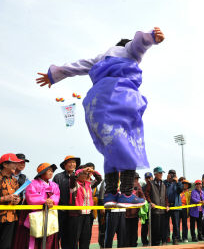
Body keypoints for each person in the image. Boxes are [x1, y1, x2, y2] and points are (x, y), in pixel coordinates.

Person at [36, 27, 165, 208]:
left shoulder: (99, 58)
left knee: (111, 146)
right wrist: (151, 37)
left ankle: (111, 193)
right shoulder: (129, 50)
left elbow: (76, 66)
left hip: (96, 104)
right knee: (129, 141)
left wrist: (53, 75)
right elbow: (138, 43)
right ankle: (127, 193)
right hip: (120, 97)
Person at [14, 163, 60, 249]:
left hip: (49, 213)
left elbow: (57, 195)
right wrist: (44, 201)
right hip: (35, 214)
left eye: (52, 171)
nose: (51, 173)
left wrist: (52, 201)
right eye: (48, 171)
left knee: (49, 234)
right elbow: (30, 196)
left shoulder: (54, 185)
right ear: (42, 173)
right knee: (34, 234)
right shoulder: (33, 183)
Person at [68, 165, 102, 249]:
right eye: (83, 173)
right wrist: (82, 169)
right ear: (78, 174)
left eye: (86, 174)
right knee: (74, 239)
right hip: (77, 215)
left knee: (86, 239)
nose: (85, 175)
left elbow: (99, 179)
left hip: (87, 215)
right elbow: (72, 176)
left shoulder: (89, 184)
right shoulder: (74, 184)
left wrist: (92, 171)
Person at [53, 155, 80, 249]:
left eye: (74, 162)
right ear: (65, 165)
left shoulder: (79, 177)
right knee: (57, 236)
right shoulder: (58, 177)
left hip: (74, 213)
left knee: (73, 237)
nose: (72, 164)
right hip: (60, 212)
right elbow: (54, 193)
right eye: (70, 162)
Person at [0, 154, 21, 249]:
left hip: (11, 217)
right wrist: (5, 198)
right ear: (5, 164)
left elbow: (18, 196)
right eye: (14, 163)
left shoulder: (14, 180)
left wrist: (17, 200)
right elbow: (7, 198)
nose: (16, 165)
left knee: (6, 246)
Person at [145, 166, 169, 246]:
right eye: (160, 173)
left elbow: (165, 197)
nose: (161, 174)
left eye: (162, 173)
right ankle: (154, 244)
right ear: (155, 174)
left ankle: (163, 242)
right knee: (155, 229)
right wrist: (150, 202)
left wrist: (167, 205)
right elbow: (147, 194)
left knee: (163, 228)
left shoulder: (163, 184)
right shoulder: (150, 183)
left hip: (162, 211)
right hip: (154, 211)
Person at [125, 172, 145, 247]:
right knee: (129, 232)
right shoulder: (126, 185)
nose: (136, 180)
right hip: (127, 214)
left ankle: (132, 245)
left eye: (137, 179)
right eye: (135, 178)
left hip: (133, 214)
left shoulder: (138, 186)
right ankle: (129, 245)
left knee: (132, 231)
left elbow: (142, 197)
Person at [163, 169, 183, 245]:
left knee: (176, 224)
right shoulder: (165, 182)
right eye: (170, 174)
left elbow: (181, 189)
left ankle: (175, 239)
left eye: (173, 174)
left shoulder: (178, 183)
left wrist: (177, 181)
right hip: (166, 206)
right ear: (168, 174)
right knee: (165, 224)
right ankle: (165, 238)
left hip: (175, 206)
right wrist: (168, 180)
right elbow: (162, 187)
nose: (172, 175)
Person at [141, 172, 153, 246]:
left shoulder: (155, 186)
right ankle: (144, 241)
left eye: (149, 178)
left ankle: (153, 240)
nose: (148, 179)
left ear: (152, 178)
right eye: (147, 178)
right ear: (145, 179)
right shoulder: (143, 188)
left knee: (153, 226)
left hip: (154, 209)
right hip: (145, 210)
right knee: (144, 226)